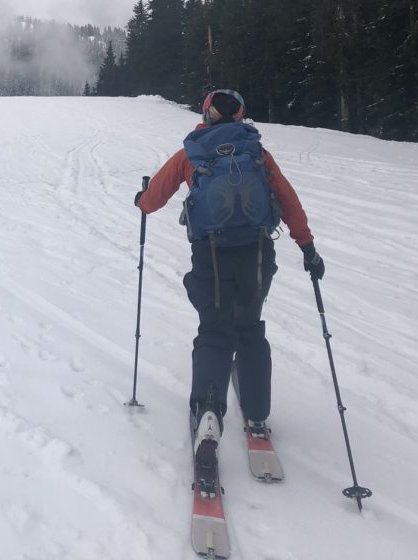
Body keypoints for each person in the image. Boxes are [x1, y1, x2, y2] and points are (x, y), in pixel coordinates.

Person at [134, 89, 325, 463]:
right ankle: (256, 414)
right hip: (256, 252)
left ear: (207, 114)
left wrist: (141, 200)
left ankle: (208, 413)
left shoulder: (193, 152)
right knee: (249, 327)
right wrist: (307, 246)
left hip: (211, 255)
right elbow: (288, 199)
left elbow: (154, 199)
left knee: (215, 329)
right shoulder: (256, 153)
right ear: (241, 116)